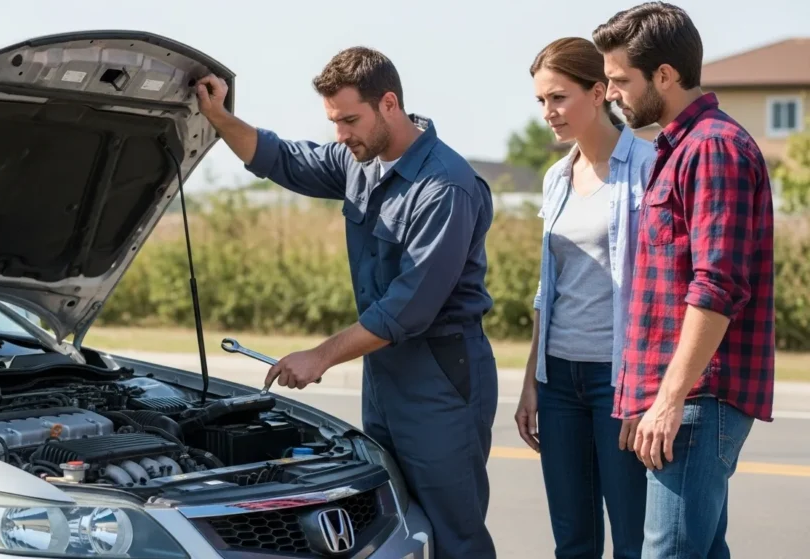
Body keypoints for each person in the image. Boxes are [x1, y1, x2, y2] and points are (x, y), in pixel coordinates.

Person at [194, 47, 499, 559]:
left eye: (350, 120)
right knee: (390, 522)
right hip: (384, 372)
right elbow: (282, 159)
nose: (340, 135)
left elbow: (408, 308)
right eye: (333, 121)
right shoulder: (360, 161)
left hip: (441, 376)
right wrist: (219, 116)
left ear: (389, 104)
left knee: (454, 533)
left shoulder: (445, 186)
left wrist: (320, 356)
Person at [592, 3, 775, 557]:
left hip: (699, 397)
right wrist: (641, 396)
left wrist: (668, 401)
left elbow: (716, 288)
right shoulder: (676, 149)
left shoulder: (712, 147)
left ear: (665, 75)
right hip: (678, 396)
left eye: (621, 80)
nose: (611, 94)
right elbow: (661, 291)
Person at [514, 36, 654, 559]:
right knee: (572, 542)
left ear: (598, 93)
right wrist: (531, 379)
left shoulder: (649, 166)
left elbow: (659, 287)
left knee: (634, 540)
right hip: (558, 381)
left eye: (558, 97)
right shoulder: (556, 177)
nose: (548, 112)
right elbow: (546, 289)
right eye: (541, 101)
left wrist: (648, 389)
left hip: (618, 380)